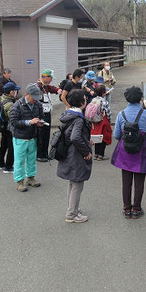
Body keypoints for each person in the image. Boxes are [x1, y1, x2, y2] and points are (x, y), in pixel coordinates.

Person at [111, 86, 146, 219]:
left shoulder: (121, 114)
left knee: (126, 181)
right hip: (142, 150)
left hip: (126, 151)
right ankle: (136, 209)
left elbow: (117, 135)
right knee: (139, 181)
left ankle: (127, 208)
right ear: (141, 98)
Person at [57, 90, 93, 223]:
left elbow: (73, 134)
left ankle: (72, 209)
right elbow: (75, 137)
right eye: (84, 98)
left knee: (72, 183)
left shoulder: (67, 114)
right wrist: (86, 152)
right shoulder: (78, 119)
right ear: (82, 103)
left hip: (68, 153)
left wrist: (86, 139)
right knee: (77, 183)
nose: (86, 100)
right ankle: (72, 214)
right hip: (76, 155)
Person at [10, 83, 45, 192]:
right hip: (20, 137)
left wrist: (40, 122)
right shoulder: (17, 105)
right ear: (27, 94)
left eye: (36, 98)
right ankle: (20, 181)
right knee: (19, 161)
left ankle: (31, 178)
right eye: (33, 98)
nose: (35, 100)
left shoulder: (38, 105)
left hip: (32, 136)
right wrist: (29, 122)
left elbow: (41, 117)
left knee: (31, 159)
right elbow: (14, 122)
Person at [36, 69, 62, 162]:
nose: (51, 80)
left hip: (47, 113)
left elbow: (52, 88)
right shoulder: (38, 87)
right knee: (41, 135)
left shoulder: (45, 86)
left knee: (46, 134)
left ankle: (45, 153)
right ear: (45, 77)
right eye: (50, 78)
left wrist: (58, 90)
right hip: (41, 114)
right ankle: (39, 154)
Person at [0, 81, 20, 173]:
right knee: (11, 147)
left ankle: (0, 164)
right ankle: (8, 166)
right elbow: (12, 117)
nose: (15, 92)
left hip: (2, 126)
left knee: (3, 145)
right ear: (11, 92)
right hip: (9, 127)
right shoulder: (9, 104)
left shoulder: (0, 98)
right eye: (14, 90)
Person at [91, 85, 112, 161]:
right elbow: (108, 112)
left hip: (95, 121)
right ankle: (101, 155)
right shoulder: (104, 101)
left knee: (96, 136)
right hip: (102, 120)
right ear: (104, 93)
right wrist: (109, 120)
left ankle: (96, 154)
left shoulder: (93, 100)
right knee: (103, 138)